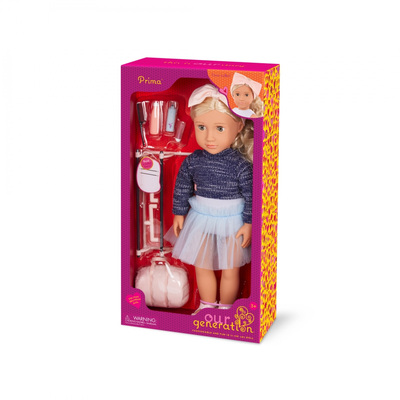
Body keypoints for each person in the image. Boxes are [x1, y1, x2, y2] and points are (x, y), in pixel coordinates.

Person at [166, 84, 253, 314]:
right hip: (201, 216)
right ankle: (206, 305)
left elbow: (251, 195)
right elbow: (182, 185)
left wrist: (249, 222)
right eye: (201, 127)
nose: (209, 137)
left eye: (219, 128)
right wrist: (179, 212)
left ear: (239, 127)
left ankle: (225, 308)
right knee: (202, 264)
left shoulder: (240, 165)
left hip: (232, 220)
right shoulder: (194, 160)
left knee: (230, 269)